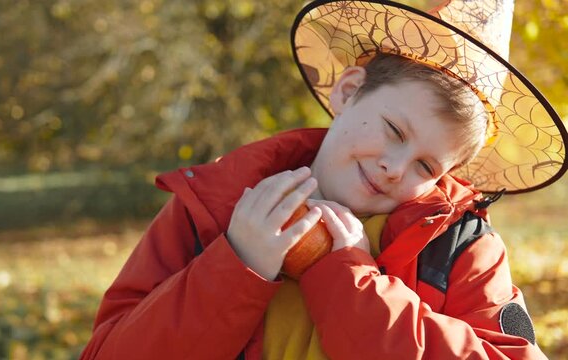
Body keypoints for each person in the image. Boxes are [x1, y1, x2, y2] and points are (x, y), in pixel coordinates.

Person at [80, 0, 567, 359]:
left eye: (427, 168)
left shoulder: (460, 245)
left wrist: (349, 278)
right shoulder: (214, 203)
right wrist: (237, 263)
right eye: (394, 130)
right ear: (349, 92)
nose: (396, 168)